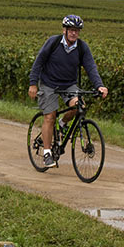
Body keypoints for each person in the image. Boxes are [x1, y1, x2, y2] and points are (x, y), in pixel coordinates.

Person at [27, 14, 108, 168]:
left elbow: (91, 67)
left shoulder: (82, 47)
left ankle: (63, 123)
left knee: (79, 106)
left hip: (69, 85)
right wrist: (33, 84)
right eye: (71, 30)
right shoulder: (53, 42)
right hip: (49, 84)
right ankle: (47, 153)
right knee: (49, 116)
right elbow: (39, 62)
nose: (74, 33)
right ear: (64, 30)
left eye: (76, 30)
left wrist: (100, 85)